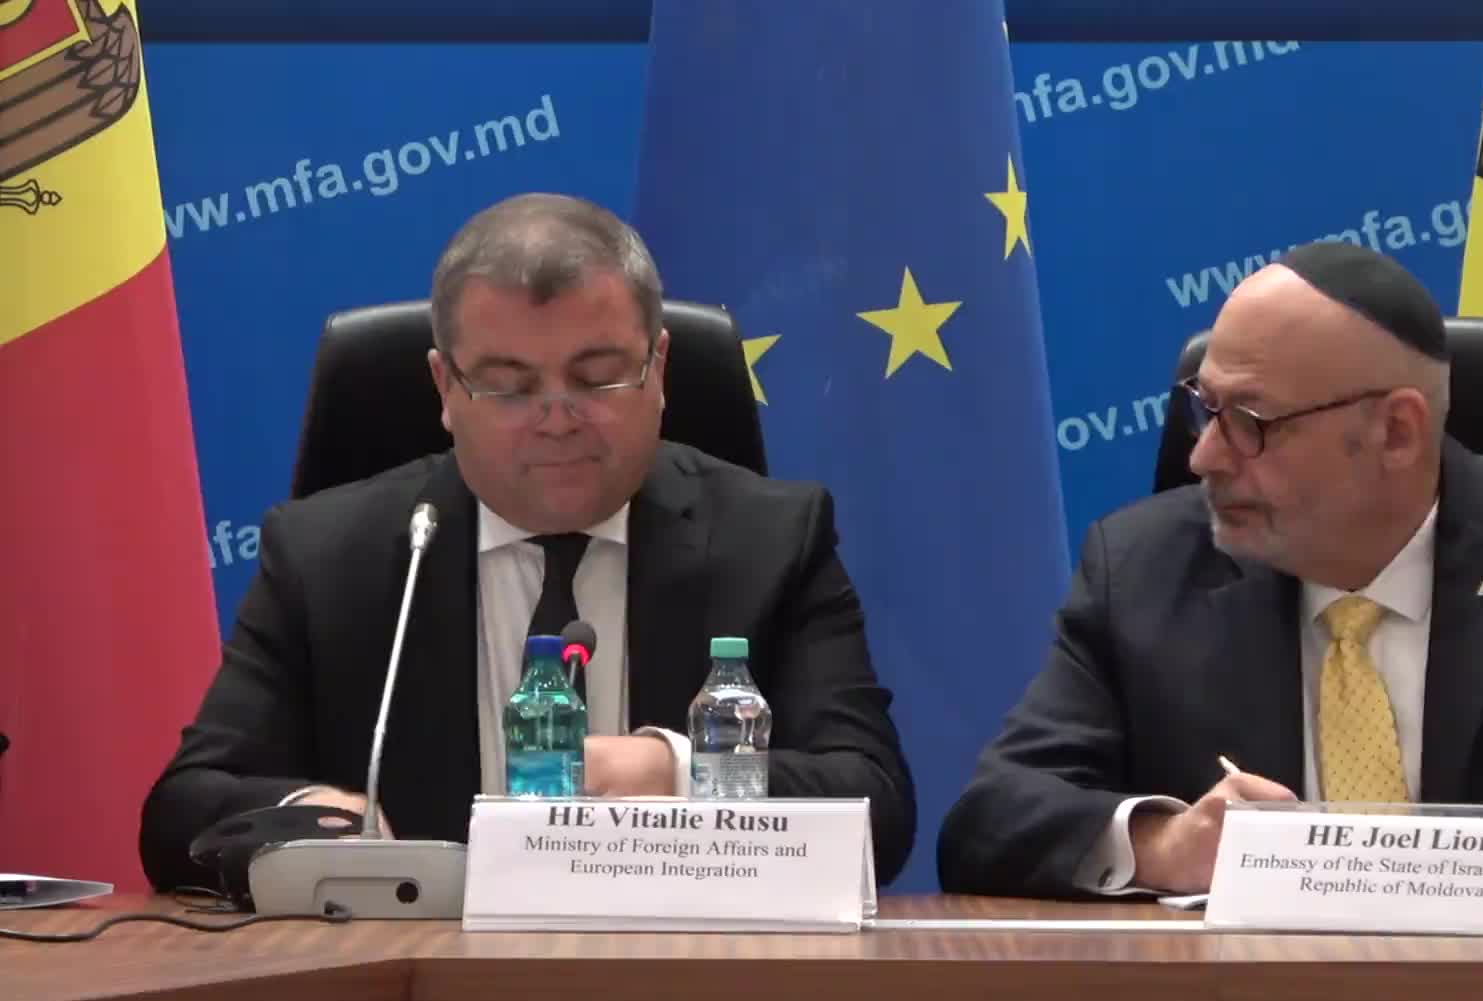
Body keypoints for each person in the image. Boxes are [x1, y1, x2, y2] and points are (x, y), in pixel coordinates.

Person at [936, 241, 1483, 901]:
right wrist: (1171, 846)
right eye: (1205, 409)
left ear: (1397, 432)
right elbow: (990, 818)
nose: (1204, 456)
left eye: (1250, 422)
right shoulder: (1143, 569)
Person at [141, 193, 916, 890]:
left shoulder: (772, 541)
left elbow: (876, 807)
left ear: (659, 368)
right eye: (509, 386)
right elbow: (183, 811)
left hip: (692, 975)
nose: (556, 418)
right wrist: (307, 814)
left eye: (597, 377)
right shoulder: (327, 557)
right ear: (446, 389)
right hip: (416, 980)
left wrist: (676, 772)